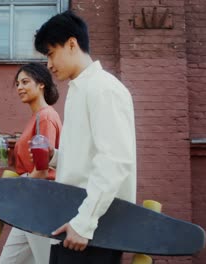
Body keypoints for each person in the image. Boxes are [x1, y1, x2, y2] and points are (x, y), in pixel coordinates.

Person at [33, 10, 137, 264]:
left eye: (50, 53)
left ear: (71, 44)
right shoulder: (79, 90)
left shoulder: (104, 89)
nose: (48, 64)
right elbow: (86, 158)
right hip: (73, 221)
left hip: (93, 231)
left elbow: (115, 160)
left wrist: (84, 223)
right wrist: (55, 157)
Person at [0, 62, 63, 264]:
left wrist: (16, 192)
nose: (19, 88)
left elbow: (43, 170)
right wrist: (9, 156)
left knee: (45, 260)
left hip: (40, 199)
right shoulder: (37, 118)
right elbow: (30, 164)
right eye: (17, 84)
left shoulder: (45, 117)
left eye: (25, 82)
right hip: (31, 197)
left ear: (41, 84)